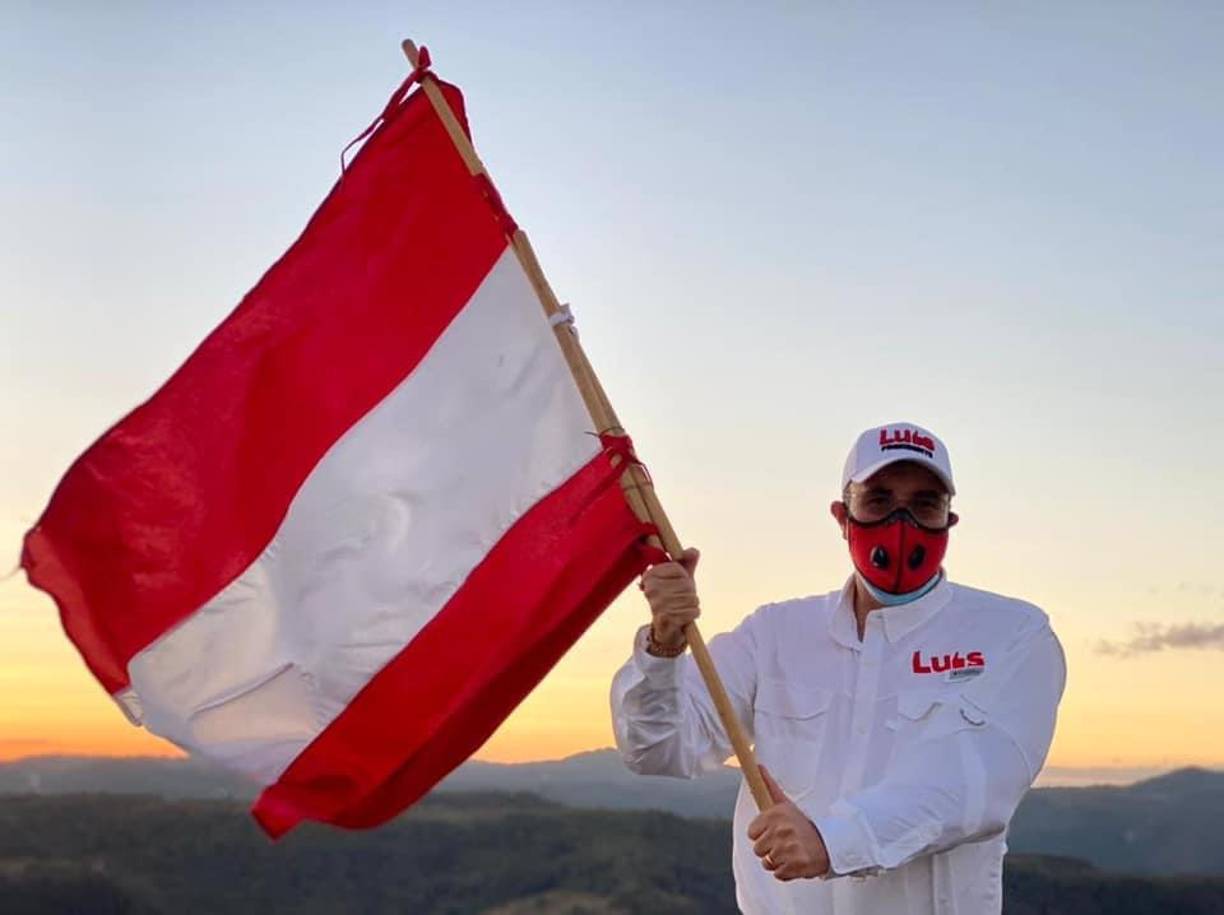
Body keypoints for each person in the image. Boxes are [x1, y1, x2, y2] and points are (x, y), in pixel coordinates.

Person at [610, 421, 1066, 914]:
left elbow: (973, 784)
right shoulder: (773, 634)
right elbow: (658, 749)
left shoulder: (1011, 635)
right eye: (879, 499)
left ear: (949, 521)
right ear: (842, 515)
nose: (901, 520)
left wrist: (833, 841)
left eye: (924, 504)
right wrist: (664, 643)